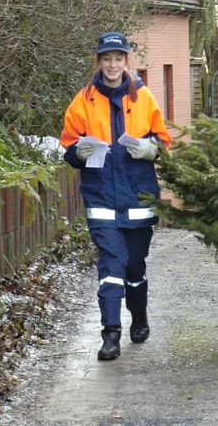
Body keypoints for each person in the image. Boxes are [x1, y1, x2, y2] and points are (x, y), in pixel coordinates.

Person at [60, 32, 172, 360]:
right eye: (107, 59)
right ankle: (110, 334)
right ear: (99, 60)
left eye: (118, 58)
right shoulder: (83, 100)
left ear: (126, 61)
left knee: (134, 265)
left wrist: (151, 148)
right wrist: (78, 152)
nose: (112, 65)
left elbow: (163, 141)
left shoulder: (143, 98)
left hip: (138, 197)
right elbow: (68, 145)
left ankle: (139, 316)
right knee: (112, 264)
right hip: (101, 197)